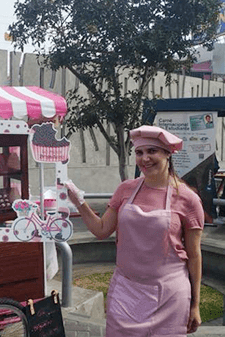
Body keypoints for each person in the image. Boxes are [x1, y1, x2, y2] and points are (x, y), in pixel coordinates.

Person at [66, 125, 204, 336]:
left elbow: (194, 256)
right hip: (127, 291)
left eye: (152, 151)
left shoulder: (188, 199)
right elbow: (101, 230)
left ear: (168, 154)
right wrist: (79, 202)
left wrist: (195, 305)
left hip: (170, 295)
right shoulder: (126, 189)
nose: (144, 158)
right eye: (139, 152)